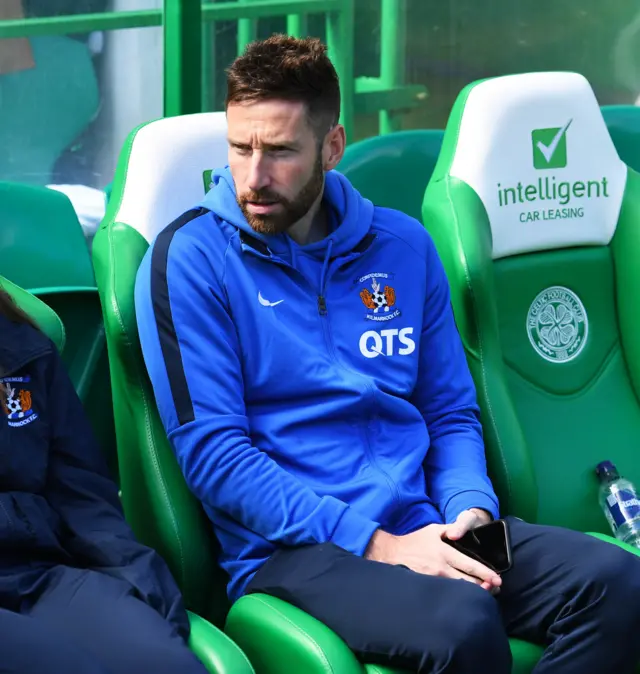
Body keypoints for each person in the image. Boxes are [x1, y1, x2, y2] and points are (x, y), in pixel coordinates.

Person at [135, 34, 640, 673]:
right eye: (240, 148)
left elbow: (450, 412)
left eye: (281, 151)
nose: (253, 177)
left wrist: (468, 512)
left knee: (618, 584)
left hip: (429, 526)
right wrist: (380, 545)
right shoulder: (189, 259)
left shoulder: (402, 245)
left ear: (333, 147)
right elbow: (216, 458)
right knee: (462, 625)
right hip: (298, 551)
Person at [0, 285, 207, 674]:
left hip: (40, 573)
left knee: (165, 663)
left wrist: (140, 584)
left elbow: (82, 496)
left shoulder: (18, 341)